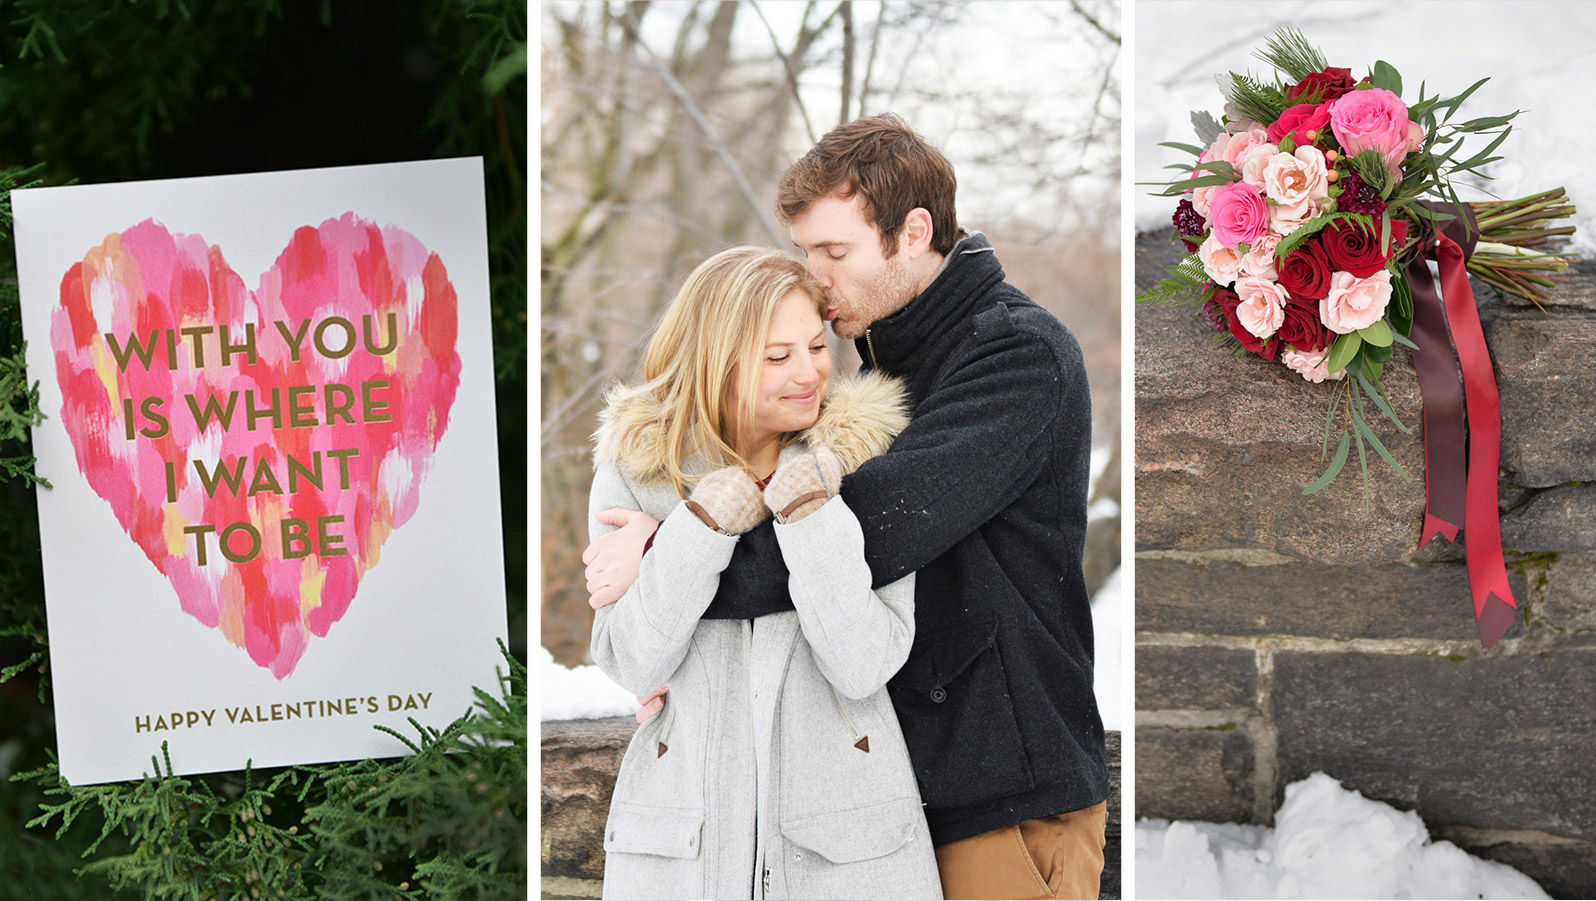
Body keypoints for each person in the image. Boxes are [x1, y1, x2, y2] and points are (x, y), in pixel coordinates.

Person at [585, 114, 1109, 900]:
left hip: (1001, 789)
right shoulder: (889, 357)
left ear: (913, 233)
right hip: (895, 797)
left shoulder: (1018, 354)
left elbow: (876, 527)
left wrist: (665, 554)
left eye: (834, 252)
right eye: (804, 252)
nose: (816, 276)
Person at [587, 245, 942, 900]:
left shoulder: (866, 460)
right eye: (778, 357)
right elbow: (634, 662)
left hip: (846, 842)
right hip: (679, 845)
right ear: (717, 362)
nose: (809, 372)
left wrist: (812, 514)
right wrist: (697, 528)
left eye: (815, 347)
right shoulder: (636, 470)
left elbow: (864, 663)